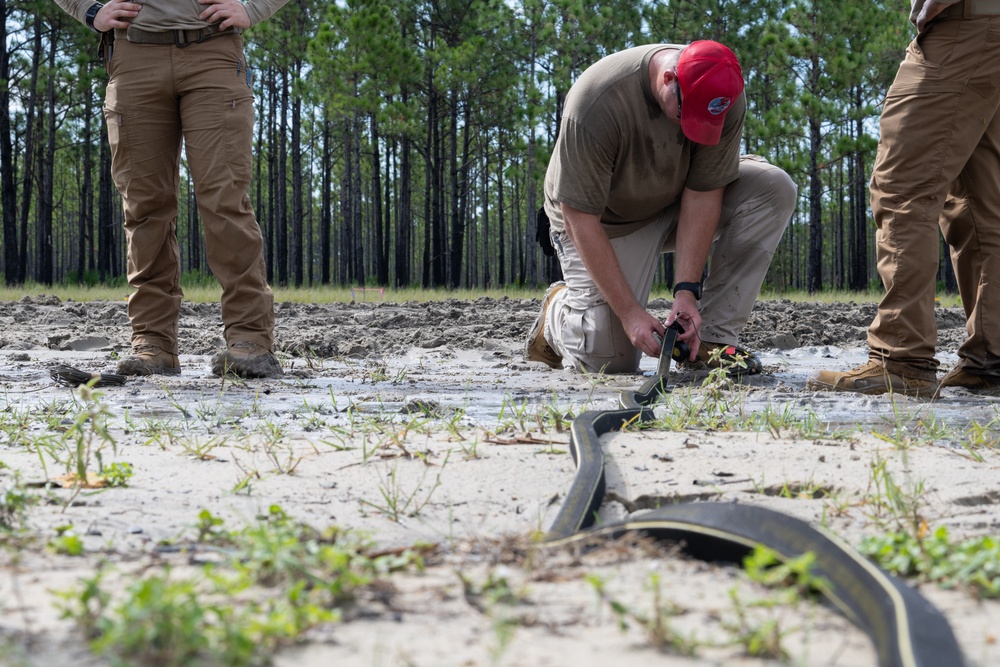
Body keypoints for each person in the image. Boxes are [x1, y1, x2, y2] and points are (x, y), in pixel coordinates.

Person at [526, 41, 796, 376]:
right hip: (605, 222)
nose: (693, 129)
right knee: (611, 360)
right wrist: (628, 313)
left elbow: (703, 192)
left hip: (673, 200)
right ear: (669, 78)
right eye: (686, 114)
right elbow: (579, 218)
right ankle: (558, 312)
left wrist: (686, 293)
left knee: (774, 188)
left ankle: (710, 339)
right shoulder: (596, 101)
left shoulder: (722, 95)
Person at [55, 0, 288, 378]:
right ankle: (153, 345)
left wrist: (254, 7)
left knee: (224, 199)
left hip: (214, 53)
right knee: (145, 208)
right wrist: (88, 9)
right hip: (132, 55)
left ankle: (250, 341)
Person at [808, 0, 1000, 397]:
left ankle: (901, 359)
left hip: (963, 26)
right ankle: (991, 362)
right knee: (981, 203)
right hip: (985, 27)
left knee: (903, 188)